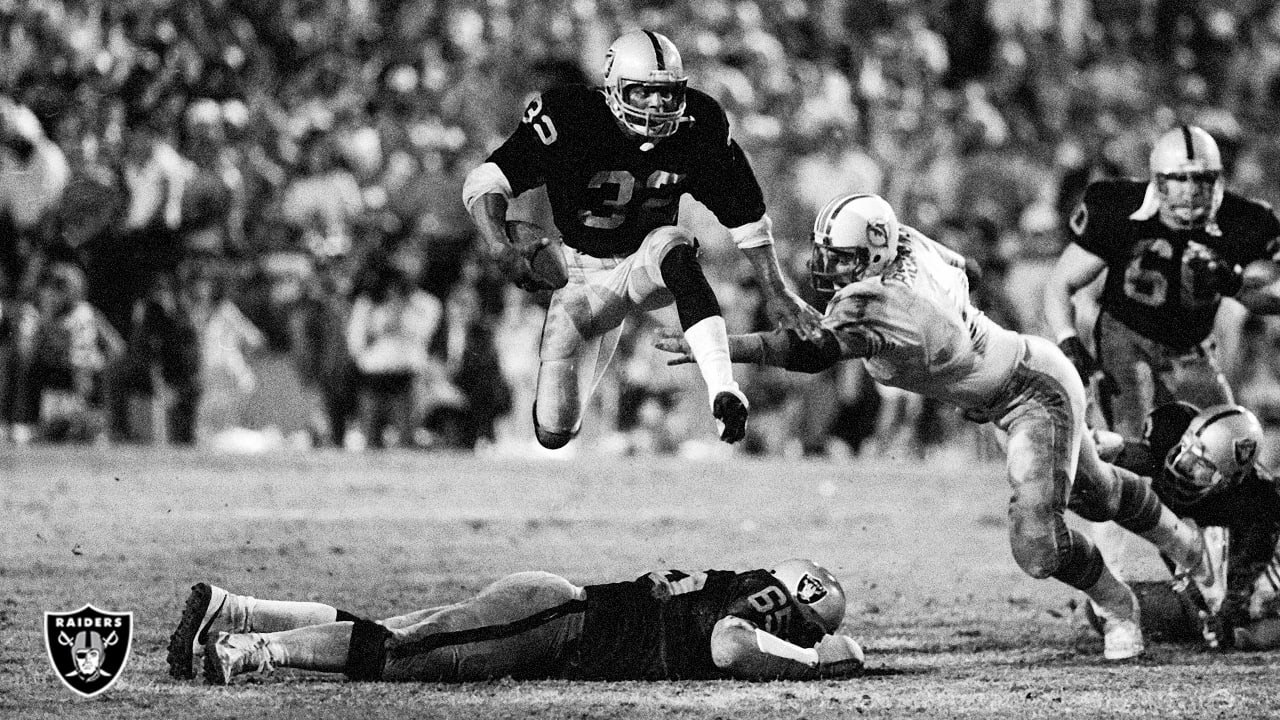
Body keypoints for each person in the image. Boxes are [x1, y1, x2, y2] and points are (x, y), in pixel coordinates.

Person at [657, 193, 1215, 660]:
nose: (833, 271)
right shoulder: (907, 247)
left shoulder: (881, 301)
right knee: (1094, 493)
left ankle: (1122, 608)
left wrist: (721, 348)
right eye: (831, 256)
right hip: (1020, 377)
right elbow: (966, 269)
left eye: (846, 259)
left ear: (875, 254)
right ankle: (1185, 541)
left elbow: (810, 353)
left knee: (1039, 547)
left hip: (1031, 393)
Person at [462, 29, 822, 449]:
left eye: (667, 94)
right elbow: (488, 178)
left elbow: (746, 217)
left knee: (673, 244)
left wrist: (777, 288)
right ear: (614, 89)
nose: (657, 105)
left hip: (644, 264)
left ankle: (723, 388)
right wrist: (497, 242)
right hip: (578, 274)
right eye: (642, 93)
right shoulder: (569, 115)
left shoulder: (699, 124)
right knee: (553, 433)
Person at [165, 559, 867, 684]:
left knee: (396, 636)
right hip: (556, 623)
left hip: (554, 618)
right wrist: (815, 661)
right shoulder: (766, 600)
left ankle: (237, 610)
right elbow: (730, 645)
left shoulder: (743, 582)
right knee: (398, 651)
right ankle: (248, 649)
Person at [1043, 125, 1280, 440]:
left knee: (1226, 442)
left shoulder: (1242, 219)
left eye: (1202, 178)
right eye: (1179, 179)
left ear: (1218, 179)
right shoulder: (1119, 206)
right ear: (1157, 180)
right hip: (1126, 338)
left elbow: (1275, 295)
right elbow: (1061, 283)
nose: (1191, 190)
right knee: (1135, 443)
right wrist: (1068, 339)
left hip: (1193, 348)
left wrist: (1232, 282)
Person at [1094, 402, 1280, 651]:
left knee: (1250, 610)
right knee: (1105, 609)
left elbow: (1246, 576)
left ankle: (1207, 620)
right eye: (1185, 454)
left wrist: (1228, 624)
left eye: (1200, 468)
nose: (1184, 470)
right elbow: (1143, 456)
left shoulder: (1259, 505)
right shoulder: (1176, 445)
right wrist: (1097, 447)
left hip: (1241, 581)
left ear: (1231, 480)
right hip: (1205, 578)